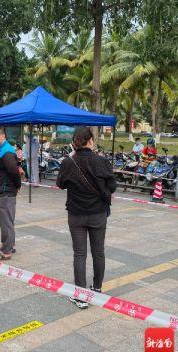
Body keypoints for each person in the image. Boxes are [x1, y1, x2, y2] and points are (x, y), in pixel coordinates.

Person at [56, 127, 117, 310]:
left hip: (76, 215)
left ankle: (81, 296)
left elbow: (60, 184)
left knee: (80, 254)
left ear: (75, 142)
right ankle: (97, 288)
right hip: (98, 214)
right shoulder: (102, 162)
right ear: (91, 141)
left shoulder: (68, 162)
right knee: (98, 252)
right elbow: (112, 186)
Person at [0, 127, 21, 261]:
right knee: (5, 220)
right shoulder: (0, 150)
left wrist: (17, 186)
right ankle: (7, 244)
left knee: (6, 221)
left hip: (4, 192)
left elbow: (14, 171)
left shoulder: (6, 152)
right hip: (0, 191)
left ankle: (7, 251)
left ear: (3, 136)